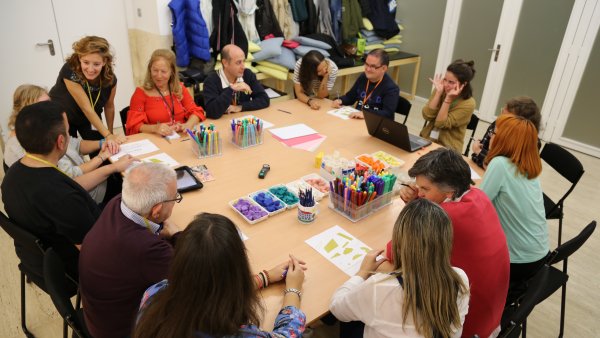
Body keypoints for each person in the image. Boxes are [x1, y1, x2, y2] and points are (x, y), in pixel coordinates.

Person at [386, 148, 509, 338]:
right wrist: (419, 201)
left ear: (450, 193)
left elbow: (395, 251)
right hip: (491, 314)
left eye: (425, 189)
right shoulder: (477, 195)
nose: (419, 192)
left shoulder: (447, 216)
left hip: (461, 324)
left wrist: (413, 209)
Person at [133, 213, 307, 337]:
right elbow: (287, 334)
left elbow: (207, 290)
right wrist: (293, 289)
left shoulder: (154, 294)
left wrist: (264, 277)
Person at [329, 199, 470, 338]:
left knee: (348, 320)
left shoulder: (380, 287)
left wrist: (362, 272)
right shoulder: (460, 278)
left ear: (399, 240)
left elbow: (337, 308)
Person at [1, 101, 105, 278]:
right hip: (72, 268)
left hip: (38, 263)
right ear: (61, 141)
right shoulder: (62, 197)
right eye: (67, 131)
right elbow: (97, 252)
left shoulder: (11, 177)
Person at [79, 163, 182, 338]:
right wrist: (178, 234)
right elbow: (189, 272)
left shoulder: (118, 202)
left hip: (97, 309)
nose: (175, 203)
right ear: (156, 210)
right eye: (175, 198)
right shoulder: (147, 249)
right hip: (120, 330)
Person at [4, 84, 133, 205]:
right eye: (45, 105)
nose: (52, 109)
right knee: (127, 183)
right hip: (84, 194)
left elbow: (75, 144)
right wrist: (102, 158)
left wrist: (102, 143)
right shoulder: (31, 144)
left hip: (81, 182)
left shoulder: (41, 129)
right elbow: (72, 178)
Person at [480, 114, 549, 305]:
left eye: (494, 132)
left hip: (516, 262)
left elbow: (477, 206)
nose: (491, 136)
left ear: (504, 139)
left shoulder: (500, 164)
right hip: (538, 257)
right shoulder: (528, 166)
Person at [49, 36, 126, 143]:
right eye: (86, 62)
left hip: (90, 116)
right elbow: (86, 108)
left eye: (96, 64)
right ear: (80, 58)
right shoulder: (70, 70)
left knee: (102, 146)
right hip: (64, 116)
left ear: (104, 62)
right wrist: (108, 135)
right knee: (71, 152)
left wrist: (110, 133)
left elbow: (109, 106)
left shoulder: (111, 79)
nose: (90, 69)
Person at [126, 49, 206, 136]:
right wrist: (155, 128)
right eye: (155, 70)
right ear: (150, 69)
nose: (159, 76)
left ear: (172, 72)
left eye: (163, 71)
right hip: (155, 141)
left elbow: (196, 112)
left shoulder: (179, 88)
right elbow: (134, 126)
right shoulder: (140, 94)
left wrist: (187, 125)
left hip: (180, 139)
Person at [420, 59, 476, 152]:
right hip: (428, 141)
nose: (446, 84)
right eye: (445, 79)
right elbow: (427, 115)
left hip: (447, 149)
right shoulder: (441, 89)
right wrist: (438, 93)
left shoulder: (469, 103)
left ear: (464, 84)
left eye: (451, 82)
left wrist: (447, 100)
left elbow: (440, 123)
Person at [471, 96, 542, 169]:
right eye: (502, 112)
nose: (500, 117)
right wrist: (481, 154)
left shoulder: (532, 142)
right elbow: (476, 158)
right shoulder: (497, 125)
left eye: (506, 117)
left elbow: (509, 171)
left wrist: (479, 152)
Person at [203, 44, 270, 119]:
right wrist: (232, 89)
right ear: (225, 63)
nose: (243, 66)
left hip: (242, 121)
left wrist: (240, 107)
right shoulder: (211, 80)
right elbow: (212, 112)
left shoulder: (247, 74)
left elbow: (264, 99)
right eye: (238, 62)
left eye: (243, 61)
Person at [331, 49, 399, 120]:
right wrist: (340, 100)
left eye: (373, 66)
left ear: (384, 68)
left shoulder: (391, 88)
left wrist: (365, 114)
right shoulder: (363, 77)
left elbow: (387, 113)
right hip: (358, 120)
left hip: (375, 124)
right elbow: (350, 97)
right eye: (366, 64)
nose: (368, 69)